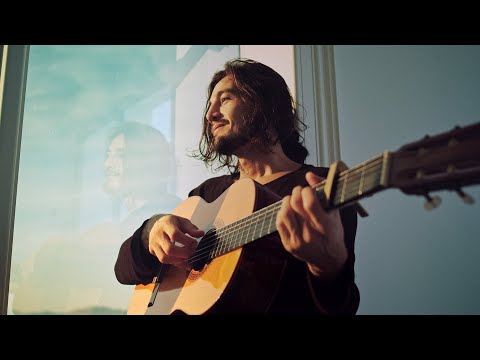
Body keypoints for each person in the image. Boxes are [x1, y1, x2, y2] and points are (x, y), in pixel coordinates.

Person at [114, 58, 360, 315]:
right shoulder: (207, 194)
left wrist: (329, 267)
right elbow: (123, 270)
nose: (210, 115)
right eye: (210, 105)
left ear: (265, 104)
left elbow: (341, 308)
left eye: (225, 99)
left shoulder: (320, 188)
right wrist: (151, 231)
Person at [12, 121, 181, 314]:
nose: (107, 164)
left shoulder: (176, 214)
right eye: (108, 155)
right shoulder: (119, 227)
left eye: (121, 154)